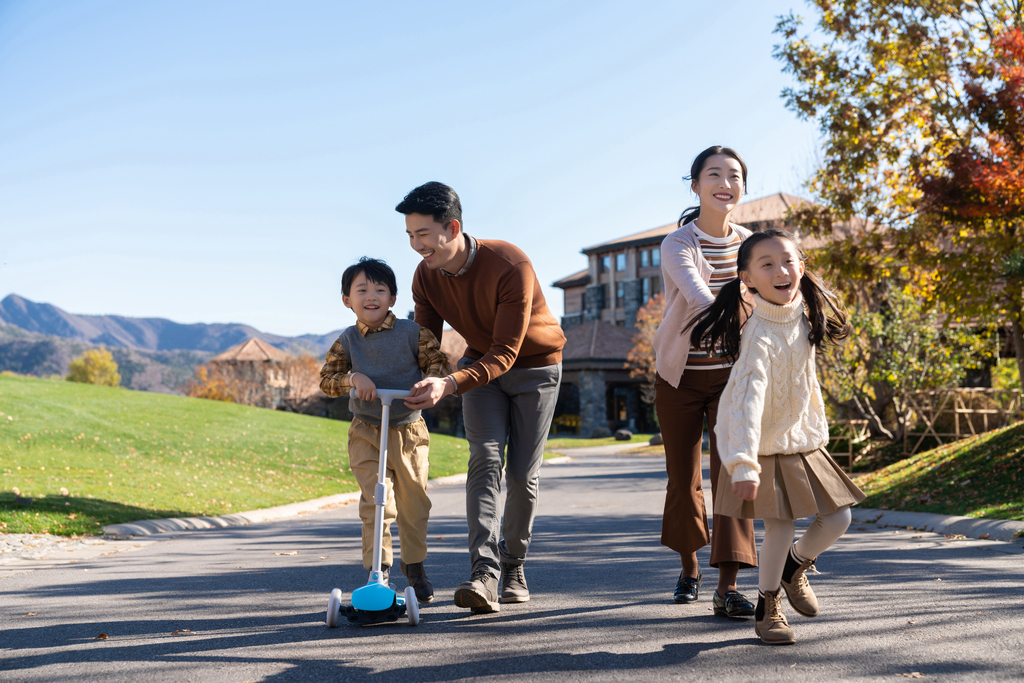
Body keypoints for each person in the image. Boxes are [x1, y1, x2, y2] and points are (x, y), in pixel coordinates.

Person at [688, 228, 866, 645]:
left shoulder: (803, 314)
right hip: (764, 448)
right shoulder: (758, 337)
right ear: (746, 279)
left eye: (787, 261)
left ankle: (793, 567)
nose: (780, 270)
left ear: (801, 268)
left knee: (839, 516)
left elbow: (806, 381)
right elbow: (744, 405)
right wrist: (744, 464)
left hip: (803, 440)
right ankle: (768, 605)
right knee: (781, 527)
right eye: (766, 264)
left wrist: (814, 429)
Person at [396, 181, 565, 614]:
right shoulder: (425, 275)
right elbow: (428, 343)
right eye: (410, 236)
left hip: (535, 367)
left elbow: (507, 351)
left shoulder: (510, 263)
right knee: (484, 460)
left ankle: (514, 565)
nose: (416, 246)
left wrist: (450, 384)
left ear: (452, 228)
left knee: (522, 474)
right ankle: (484, 573)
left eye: (423, 235)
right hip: (480, 371)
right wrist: (414, 379)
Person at [651, 146, 758, 617]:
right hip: (678, 378)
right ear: (695, 185)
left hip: (733, 381)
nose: (725, 182)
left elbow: (776, 295)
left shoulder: (754, 243)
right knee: (683, 477)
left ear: (742, 187)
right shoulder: (678, 243)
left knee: (734, 476)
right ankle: (689, 567)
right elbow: (699, 298)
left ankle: (727, 586)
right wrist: (748, 293)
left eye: (734, 175)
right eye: (714, 174)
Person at [319, 257, 452, 605]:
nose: (371, 296)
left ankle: (415, 567)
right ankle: (379, 571)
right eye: (361, 290)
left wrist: (429, 381)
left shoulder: (413, 332)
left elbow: (438, 362)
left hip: (408, 430)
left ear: (392, 298)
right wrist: (352, 378)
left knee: (413, 504)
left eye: (380, 289)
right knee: (377, 502)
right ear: (347, 299)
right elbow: (327, 380)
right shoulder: (347, 340)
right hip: (366, 429)